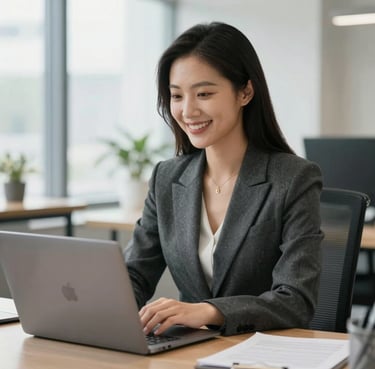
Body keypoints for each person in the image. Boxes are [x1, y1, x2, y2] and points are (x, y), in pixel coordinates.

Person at [124, 21, 324, 337]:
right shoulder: (166, 177)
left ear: (245, 92)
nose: (188, 110)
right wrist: (93, 310)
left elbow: (295, 301)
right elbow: (134, 274)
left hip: (262, 353)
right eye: (177, 96)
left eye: (203, 93)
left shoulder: (293, 179)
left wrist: (209, 311)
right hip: (187, 351)